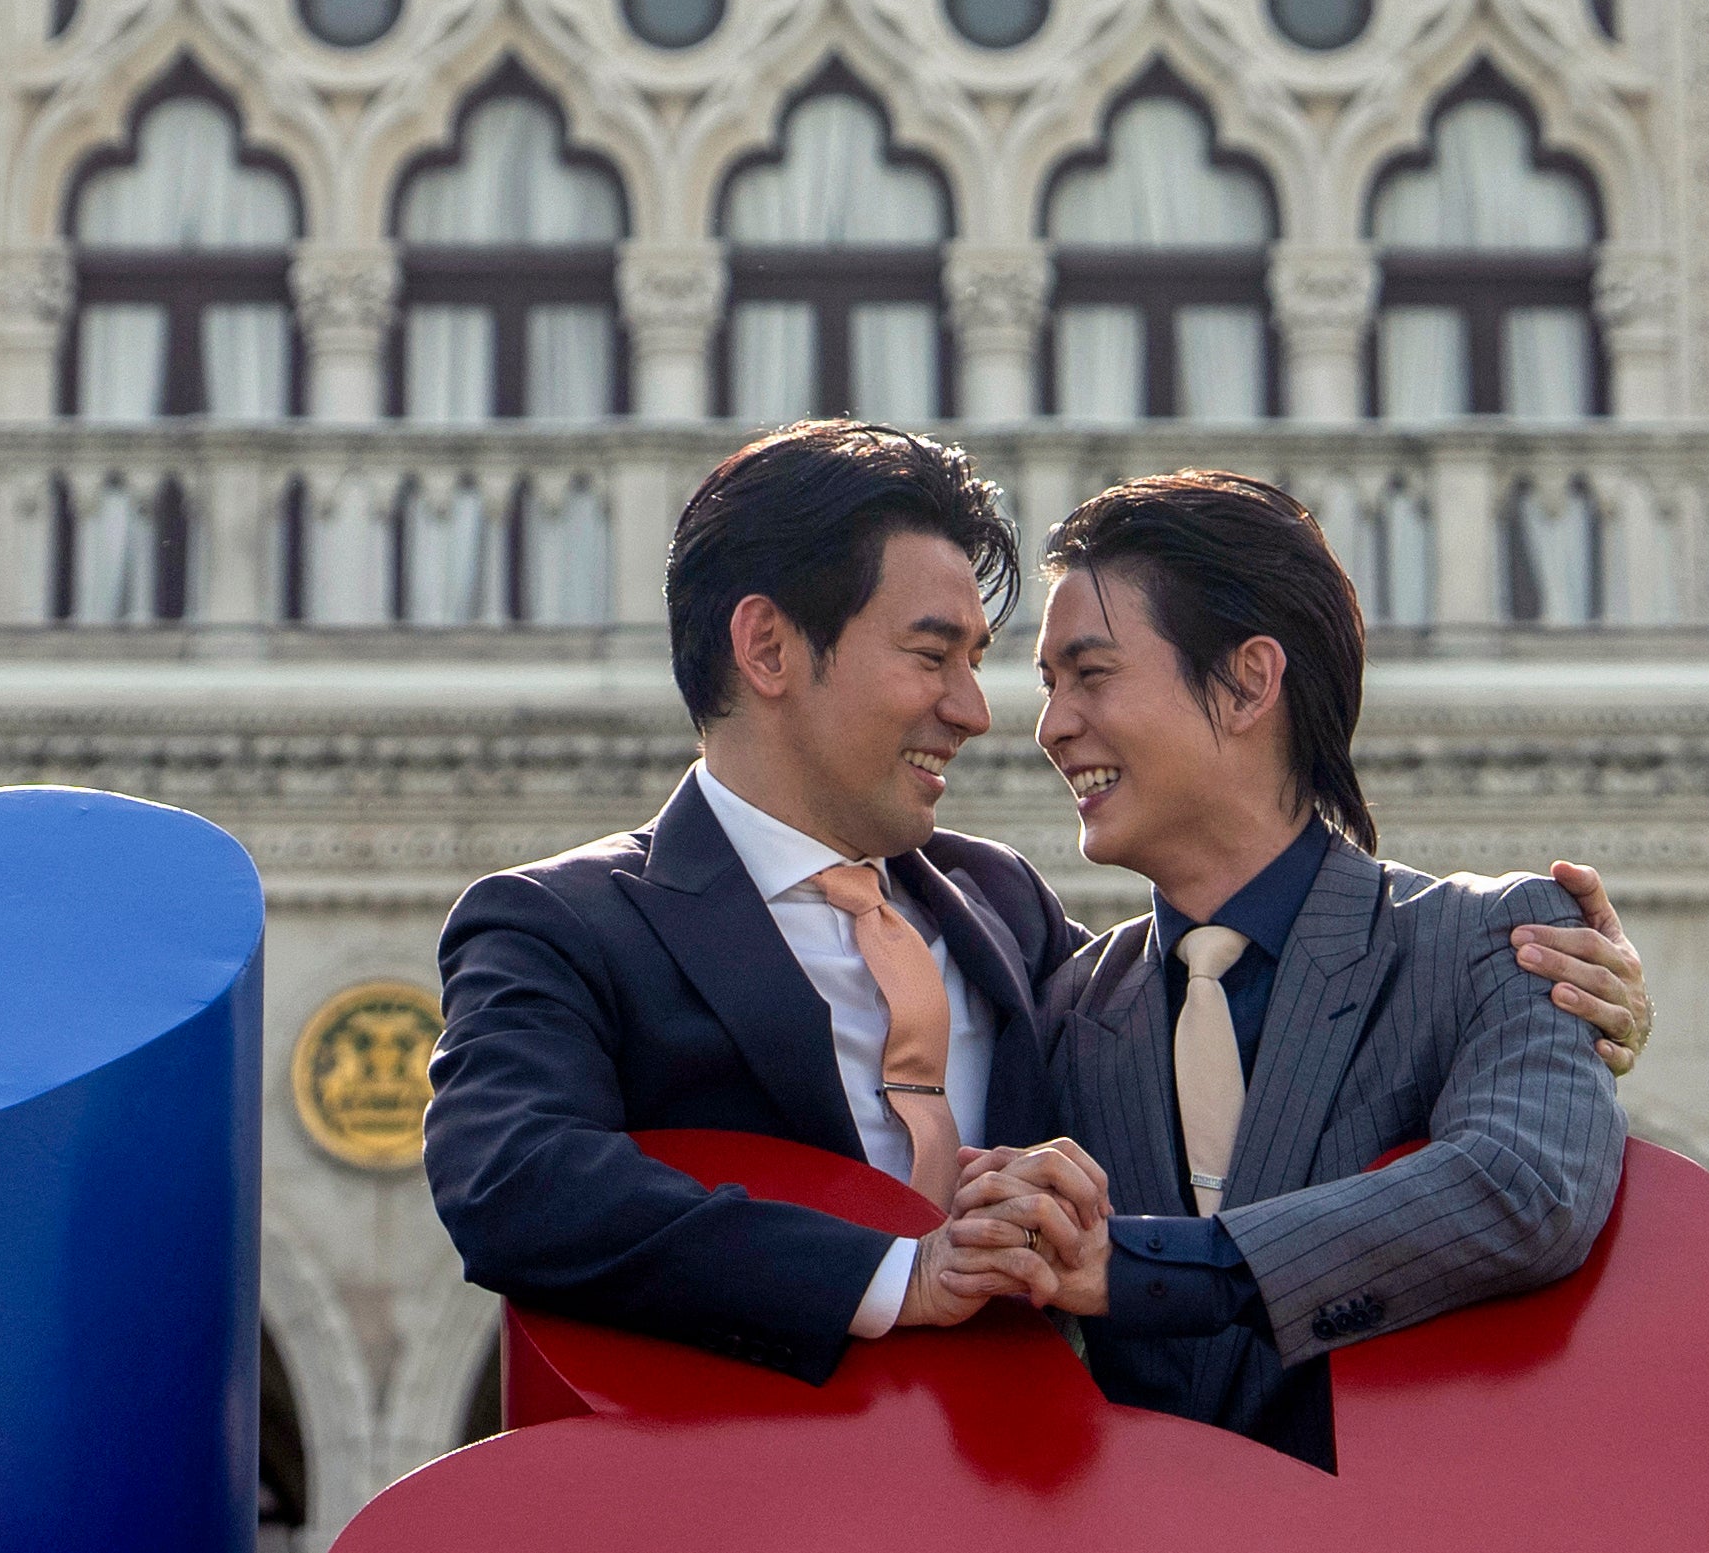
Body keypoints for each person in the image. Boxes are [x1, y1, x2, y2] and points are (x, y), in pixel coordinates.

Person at [422, 423, 1647, 1387]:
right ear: (769, 648)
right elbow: (514, 1179)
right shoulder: (561, 926)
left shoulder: (1008, 921)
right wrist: (903, 1274)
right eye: (934, 653)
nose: (992, 714)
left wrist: (1571, 1005)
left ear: (1249, 682)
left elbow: (1465, 1138)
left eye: (1065, 672)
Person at [947, 471, 1633, 1466]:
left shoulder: (1498, 941)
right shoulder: (1064, 1011)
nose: (1050, 727)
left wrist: (1134, 1265)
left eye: (1088, 674)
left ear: (1248, 683)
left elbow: (1520, 1189)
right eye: (1048, 684)